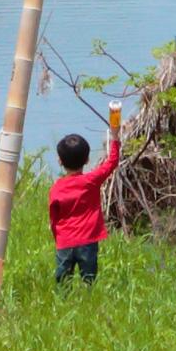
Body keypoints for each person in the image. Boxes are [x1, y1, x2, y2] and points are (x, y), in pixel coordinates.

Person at [48, 106, 124, 286]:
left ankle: (63, 302)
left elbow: (53, 218)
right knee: (89, 279)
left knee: (62, 281)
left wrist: (57, 236)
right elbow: (112, 162)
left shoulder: (56, 188)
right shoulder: (92, 180)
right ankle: (88, 300)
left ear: (60, 161)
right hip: (88, 241)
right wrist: (115, 137)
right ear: (87, 160)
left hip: (65, 241)